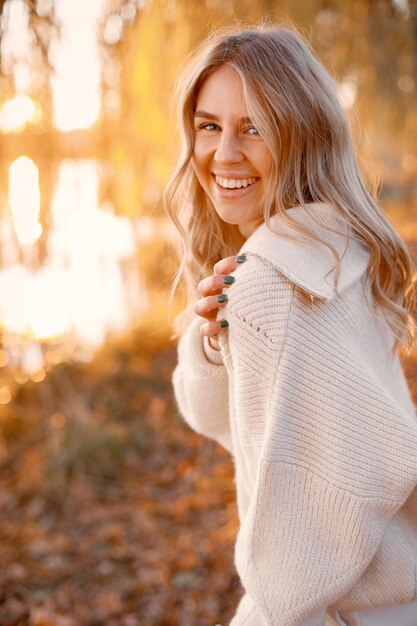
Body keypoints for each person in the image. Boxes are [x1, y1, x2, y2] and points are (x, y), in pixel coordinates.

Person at [165, 23, 417, 626]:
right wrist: (210, 345)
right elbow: (224, 418)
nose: (223, 153)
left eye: (254, 126)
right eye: (209, 125)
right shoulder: (345, 251)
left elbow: (300, 548)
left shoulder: (268, 283)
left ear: (301, 135)